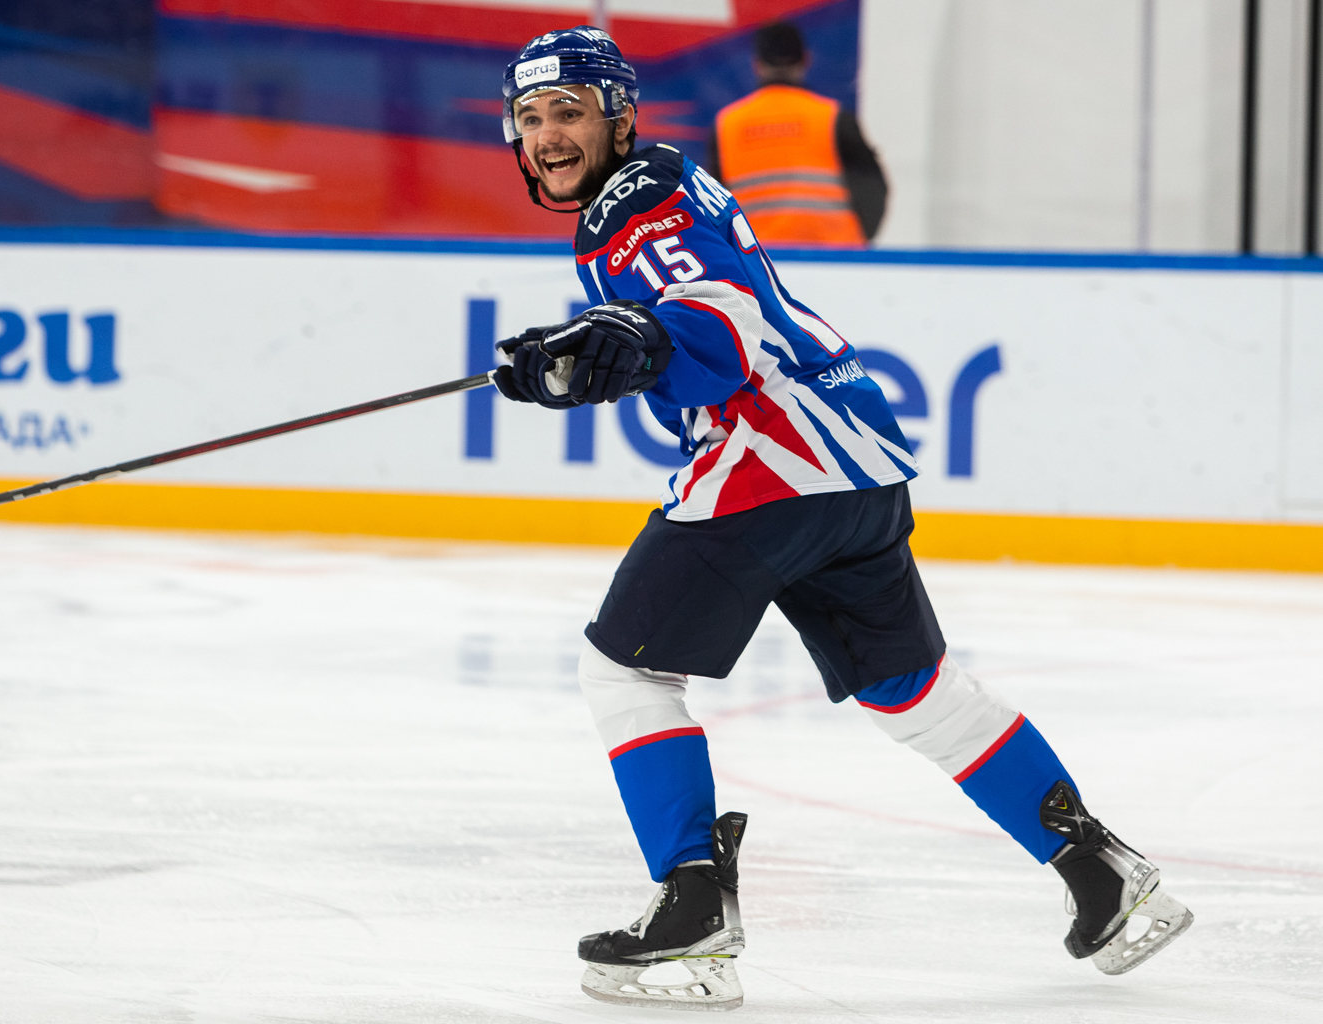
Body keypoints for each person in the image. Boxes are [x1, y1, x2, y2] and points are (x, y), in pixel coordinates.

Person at [491, 26, 1192, 1011]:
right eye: (530, 118)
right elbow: (672, 321)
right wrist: (584, 353)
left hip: (771, 463)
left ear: (619, 115)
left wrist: (634, 336)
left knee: (625, 669)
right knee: (913, 689)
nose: (548, 134)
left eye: (568, 110)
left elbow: (716, 320)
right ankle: (1104, 875)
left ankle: (692, 910)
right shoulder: (656, 185)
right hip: (853, 461)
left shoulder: (633, 204)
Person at [709, 21, 887, 247]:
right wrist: (856, 244)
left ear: (757, 65)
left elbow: (711, 202)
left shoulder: (726, 125)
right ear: (806, 60)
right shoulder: (833, 118)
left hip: (758, 258)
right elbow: (873, 189)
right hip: (834, 257)